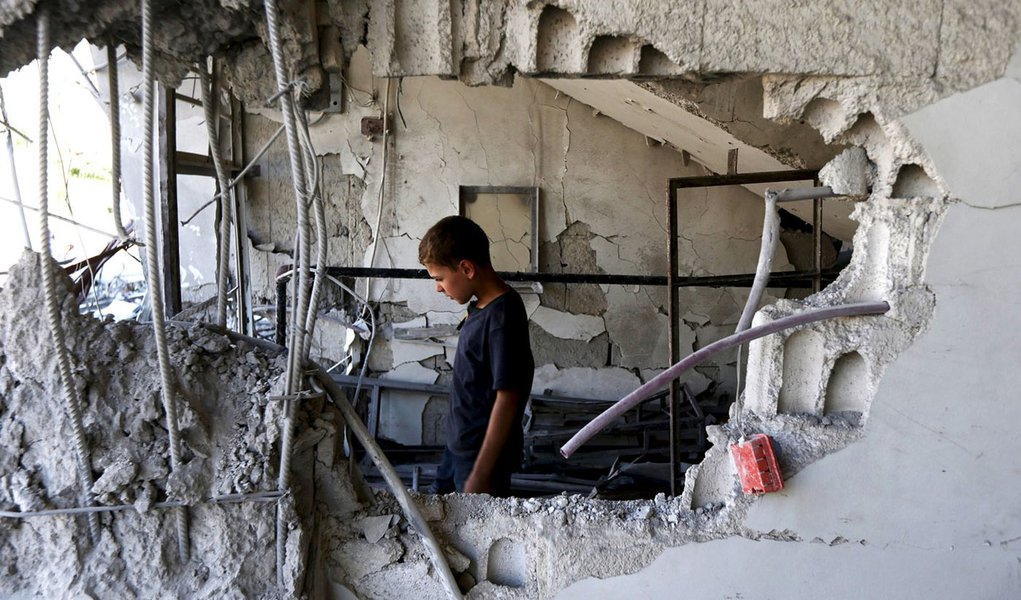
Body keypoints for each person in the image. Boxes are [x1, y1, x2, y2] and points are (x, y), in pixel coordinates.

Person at [418, 216, 534, 496]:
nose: (437, 287)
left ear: (466, 268)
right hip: (459, 448)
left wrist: (481, 472)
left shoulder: (502, 316)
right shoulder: (481, 307)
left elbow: (508, 397)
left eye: (440, 279)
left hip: (481, 459)